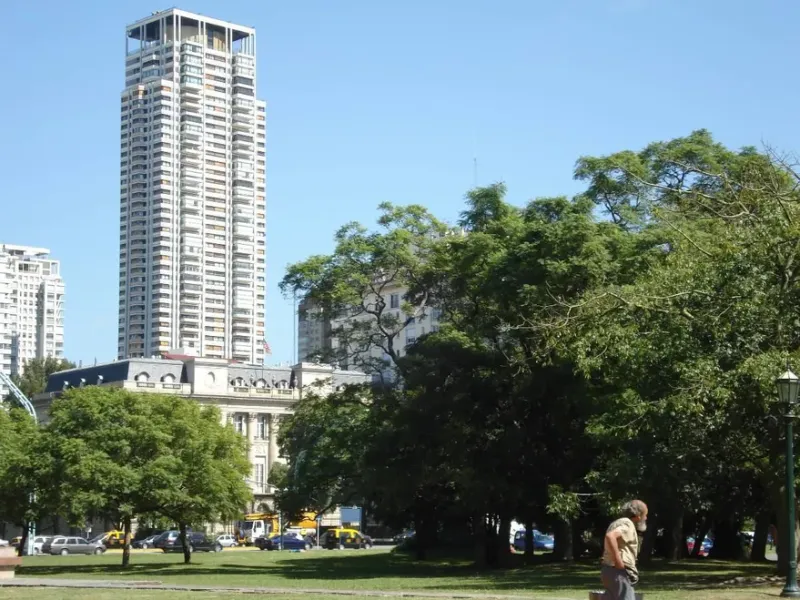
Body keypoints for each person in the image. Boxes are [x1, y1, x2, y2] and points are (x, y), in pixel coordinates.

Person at [601, 500, 648, 600]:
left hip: (609, 570)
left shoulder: (616, 523)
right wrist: (619, 562)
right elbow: (610, 536)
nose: (646, 518)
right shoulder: (628, 524)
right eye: (645, 515)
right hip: (619, 572)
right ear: (638, 516)